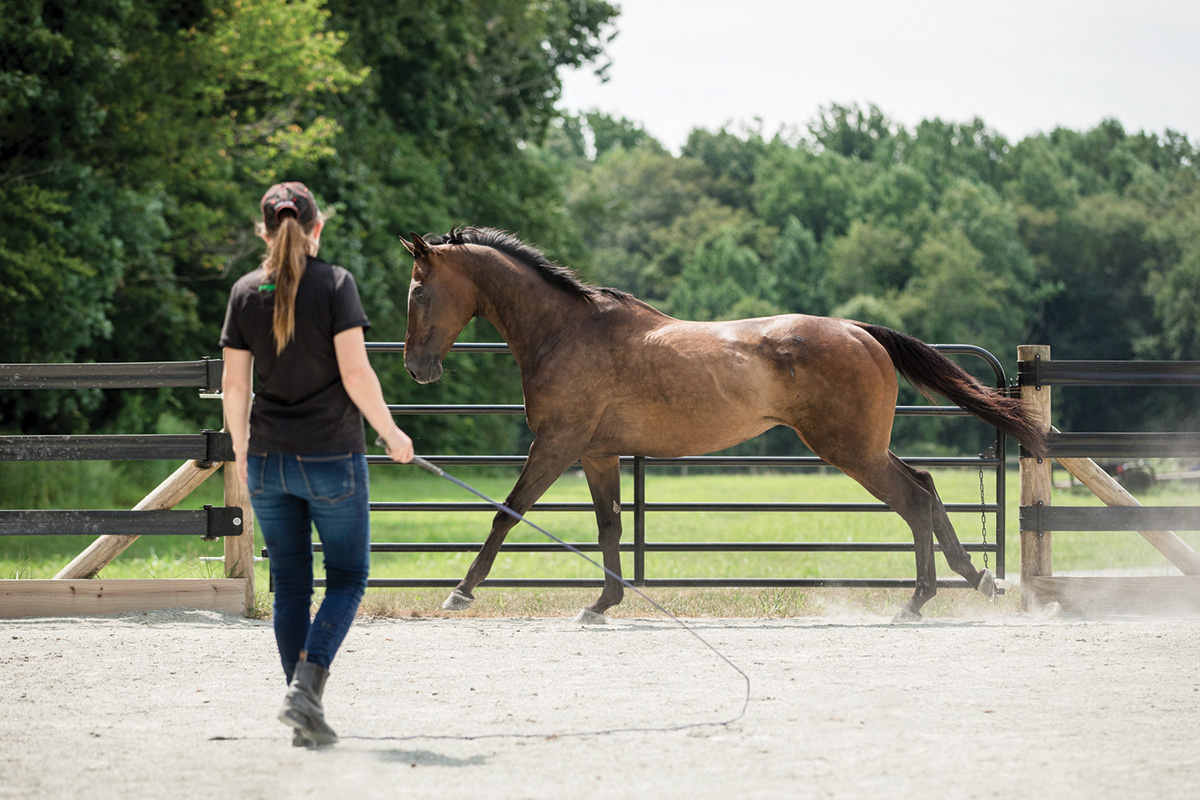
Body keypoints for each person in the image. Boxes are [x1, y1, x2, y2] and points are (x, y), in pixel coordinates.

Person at [219, 181, 414, 747]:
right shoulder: (335, 285)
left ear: (265, 230)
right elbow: (356, 375)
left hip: (269, 461)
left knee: (291, 590)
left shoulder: (243, 292)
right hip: (332, 456)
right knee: (348, 577)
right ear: (316, 227)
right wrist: (392, 433)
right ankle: (305, 689)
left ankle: (301, 706)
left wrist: (241, 451)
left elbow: (235, 384)